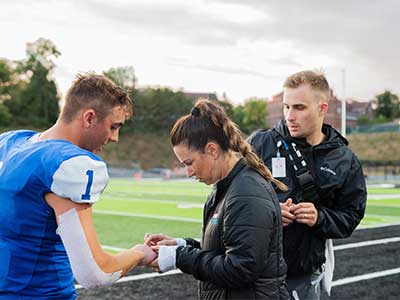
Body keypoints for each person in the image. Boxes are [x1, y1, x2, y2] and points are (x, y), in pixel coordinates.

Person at [0, 73, 156, 299]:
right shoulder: (66, 164)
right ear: (89, 117)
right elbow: (95, 273)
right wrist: (139, 253)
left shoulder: (9, 143)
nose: (115, 138)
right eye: (113, 126)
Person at [145, 99, 289, 300]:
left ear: (212, 150)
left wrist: (179, 257)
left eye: (189, 162)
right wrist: (179, 246)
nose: (188, 172)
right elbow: (221, 250)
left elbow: (240, 269)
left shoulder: (246, 192)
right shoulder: (227, 187)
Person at [248, 70, 367, 299]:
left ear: (322, 108)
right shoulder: (259, 144)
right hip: (254, 273)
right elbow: (229, 198)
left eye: (299, 107)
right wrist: (270, 212)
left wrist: (319, 217)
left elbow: (351, 216)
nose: (289, 116)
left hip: (302, 277)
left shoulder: (344, 160)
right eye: (286, 106)